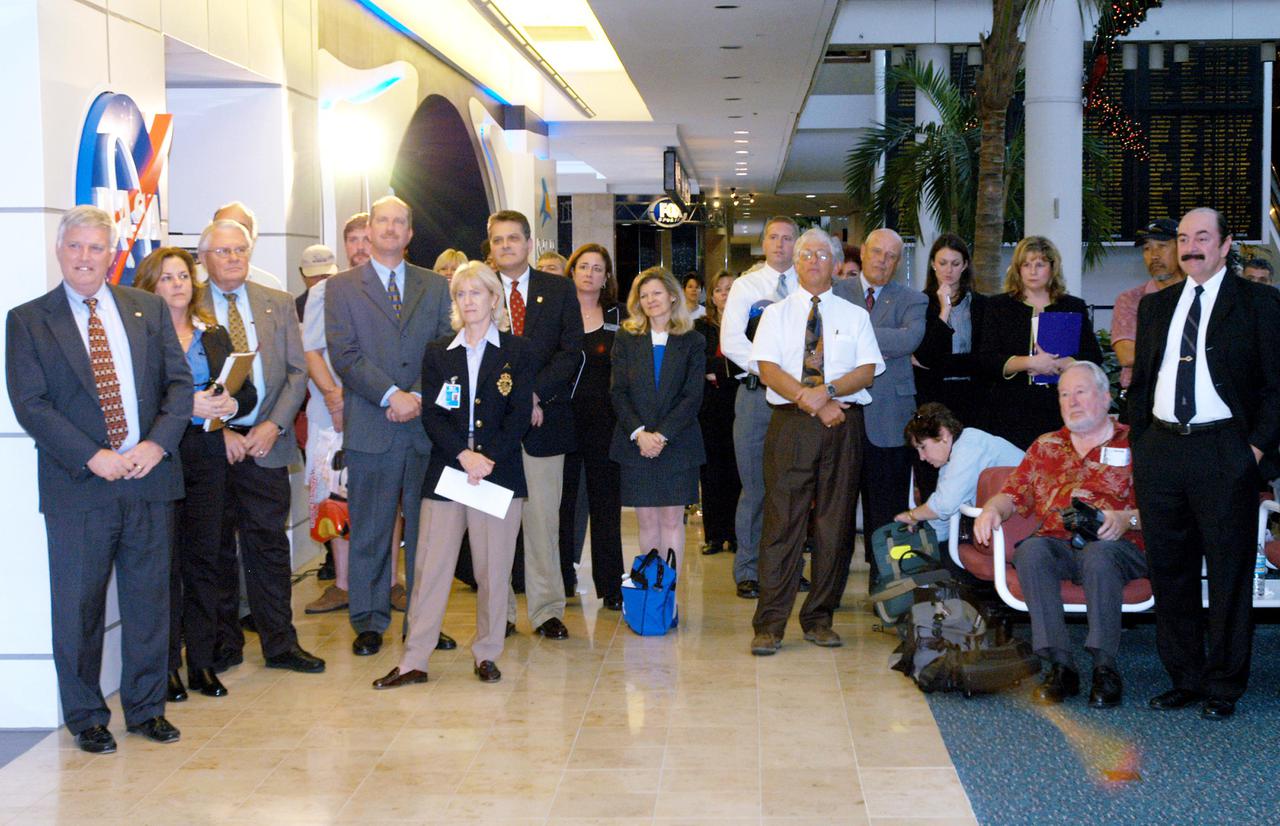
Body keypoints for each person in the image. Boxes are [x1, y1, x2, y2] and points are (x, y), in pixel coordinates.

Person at [6, 205, 192, 752]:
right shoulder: (28, 320)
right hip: (79, 487)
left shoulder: (148, 309)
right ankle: (86, 715)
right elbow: (30, 405)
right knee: (78, 608)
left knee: (150, 604)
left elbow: (179, 387)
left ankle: (145, 710)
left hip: (149, 480)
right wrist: (93, 456)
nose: (85, 257)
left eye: (95, 248)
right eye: (75, 247)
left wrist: (156, 444)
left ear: (112, 255)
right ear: (59, 250)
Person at [1130, 207, 1280, 720]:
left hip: (1225, 452)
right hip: (1163, 452)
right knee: (1169, 572)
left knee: (1227, 573)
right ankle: (1185, 678)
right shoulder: (1156, 307)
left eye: (1201, 237)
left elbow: (1277, 387)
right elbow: (1142, 384)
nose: (1189, 247)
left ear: (1224, 244)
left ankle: (1223, 685)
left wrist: (1255, 450)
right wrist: (1143, 444)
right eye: (1182, 238)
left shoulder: (1260, 303)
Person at [372, 262, 533, 689]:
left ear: (494, 299)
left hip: (497, 476)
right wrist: (464, 455)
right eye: (461, 294)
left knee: (492, 572)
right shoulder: (439, 352)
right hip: (448, 474)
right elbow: (436, 417)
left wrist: (486, 458)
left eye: (477, 293)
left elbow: (518, 418)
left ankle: (487, 653)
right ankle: (414, 660)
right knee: (430, 569)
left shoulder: (516, 352)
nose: (469, 301)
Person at [325, 195, 454, 656]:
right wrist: (390, 395)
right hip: (372, 425)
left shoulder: (435, 286)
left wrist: (416, 394)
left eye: (400, 221)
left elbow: (446, 348)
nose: (391, 228)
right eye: (383, 221)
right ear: (369, 229)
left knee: (427, 534)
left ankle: (424, 623)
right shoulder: (340, 288)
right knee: (372, 530)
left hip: (425, 429)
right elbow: (343, 354)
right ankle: (369, 620)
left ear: (410, 233)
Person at [973, 362, 1145, 706]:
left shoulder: (1137, 443)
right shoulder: (1046, 446)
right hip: (1059, 543)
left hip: (1120, 546)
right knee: (1032, 551)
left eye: (1080, 392)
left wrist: (1128, 519)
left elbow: (1167, 506)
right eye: (1064, 395)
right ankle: (1061, 666)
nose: (1072, 401)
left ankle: (1105, 668)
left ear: (1106, 396)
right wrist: (992, 508)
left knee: (1099, 555)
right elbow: (1013, 494)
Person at [749, 228, 883, 655]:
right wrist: (811, 400)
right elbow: (768, 370)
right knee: (781, 525)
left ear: (835, 263)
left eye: (821, 255)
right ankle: (769, 625)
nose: (811, 261)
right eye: (805, 254)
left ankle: (819, 618)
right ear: (796, 261)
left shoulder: (854, 314)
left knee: (835, 525)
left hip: (843, 424)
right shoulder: (776, 314)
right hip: (791, 425)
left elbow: (867, 371)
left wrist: (829, 392)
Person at [199, 217, 323, 674]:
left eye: (240, 251)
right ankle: (223, 645)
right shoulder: (187, 306)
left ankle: (280, 644)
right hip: (213, 448)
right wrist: (223, 432)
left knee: (269, 548)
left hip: (268, 444)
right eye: (223, 251)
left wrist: (273, 424)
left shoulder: (278, 302)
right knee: (215, 549)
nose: (233, 259)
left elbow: (297, 371)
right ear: (205, 258)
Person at [134, 247, 256, 703]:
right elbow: (142, 400)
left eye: (183, 276)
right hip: (159, 458)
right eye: (166, 278)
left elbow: (247, 391)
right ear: (149, 286)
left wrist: (229, 405)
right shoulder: (138, 335)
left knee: (206, 560)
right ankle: (166, 666)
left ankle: (201, 662)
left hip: (207, 456)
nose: (177, 285)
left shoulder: (213, 333)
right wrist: (188, 405)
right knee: (163, 566)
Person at [489, 210, 584, 639]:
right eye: (497, 240)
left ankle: (546, 611)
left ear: (529, 244)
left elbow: (571, 352)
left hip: (545, 425)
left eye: (513, 238)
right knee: (495, 526)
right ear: (489, 248)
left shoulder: (559, 289)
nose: (506, 245)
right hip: (491, 429)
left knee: (543, 524)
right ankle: (500, 614)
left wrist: (532, 394)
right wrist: (508, 399)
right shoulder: (480, 290)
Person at [833, 228, 927, 577]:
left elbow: (910, 340)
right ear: (864, 254)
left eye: (891, 256)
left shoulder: (914, 299)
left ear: (899, 262)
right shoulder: (835, 292)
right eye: (877, 252)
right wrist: (879, 338)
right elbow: (828, 338)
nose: (882, 261)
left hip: (890, 418)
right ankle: (832, 585)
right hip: (841, 413)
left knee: (886, 508)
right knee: (837, 509)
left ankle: (885, 583)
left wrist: (852, 334)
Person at [610, 267, 706, 584]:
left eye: (656, 293)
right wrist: (640, 434)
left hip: (677, 444)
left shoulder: (692, 340)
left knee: (671, 520)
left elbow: (692, 396)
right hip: (636, 444)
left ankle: (668, 595)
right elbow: (618, 392)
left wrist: (662, 435)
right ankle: (649, 592)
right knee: (647, 520)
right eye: (644, 294)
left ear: (672, 296)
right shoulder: (627, 337)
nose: (650, 300)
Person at [720, 217, 798, 599]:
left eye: (788, 238)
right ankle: (748, 569)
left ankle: (787, 568)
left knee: (792, 489)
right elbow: (732, 341)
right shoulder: (746, 286)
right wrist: (772, 372)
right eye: (774, 238)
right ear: (763, 243)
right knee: (755, 487)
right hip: (756, 395)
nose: (781, 245)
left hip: (799, 400)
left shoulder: (809, 285)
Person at [978, 235, 1103, 450]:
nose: (1032, 271)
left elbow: (1094, 358)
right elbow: (986, 359)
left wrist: (1064, 364)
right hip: (1009, 409)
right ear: (1018, 269)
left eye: (1040, 264)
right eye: (1026, 265)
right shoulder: (998, 306)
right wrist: (1030, 363)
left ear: (1052, 268)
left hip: (1058, 407)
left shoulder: (1072, 306)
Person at [559, 243, 625, 610]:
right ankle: (563, 580)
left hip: (606, 421)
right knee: (564, 504)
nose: (589, 274)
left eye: (598, 268)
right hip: (564, 420)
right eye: (583, 266)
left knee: (605, 505)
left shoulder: (620, 314)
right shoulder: (559, 311)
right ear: (572, 271)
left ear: (607, 276)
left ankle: (611, 586)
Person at [894, 402, 1023, 543]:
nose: (921, 457)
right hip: (1012, 522)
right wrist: (920, 543)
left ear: (943, 434)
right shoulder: (951, 461)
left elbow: (944, 505)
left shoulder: (969, 446)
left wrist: (913, 515)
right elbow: (942, 517)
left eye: (923, 447)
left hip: (1030, 521)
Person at [1110, 219, 1184, 421]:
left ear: (1182, 248)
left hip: (1186, 398)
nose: (1154, 256)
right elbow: (1126, 355)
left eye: (1162, 246)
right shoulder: (1130, 299)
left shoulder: (1198, 296)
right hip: (1141, 401)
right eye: (1147, 249)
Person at [911, 234, 987, 428]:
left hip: (973, 397)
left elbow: (984, 358)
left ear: (965, 265)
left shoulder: (982, 305)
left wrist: (944, 363)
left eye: (955, 263)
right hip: (933, 397)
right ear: (933, 264)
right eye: (943, 263)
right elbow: (925, 357)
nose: (948, 270)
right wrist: (944, 310)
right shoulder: (919, 303)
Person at [696, 269, 742, 556]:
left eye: (730, 288)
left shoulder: (747, 324)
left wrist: (721, 374)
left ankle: (737, 534)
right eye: (719, 289)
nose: (725, 293)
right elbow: (698, 362)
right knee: (711, 471)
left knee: (737, 469)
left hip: (738, 401)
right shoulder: (701, 327)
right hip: (710, 405)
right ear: (711, 296)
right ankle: (714, 534)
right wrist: (714, 372)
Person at [193, 201, 285, 291]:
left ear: (253, 237)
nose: (233, 234)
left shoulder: (270, 286)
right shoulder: (190, 281)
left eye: (242, 228)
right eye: (225, 226)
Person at [295, 244, 338, 322]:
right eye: (315, 276)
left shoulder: (349, 303)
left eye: (326, 276)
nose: (321, 281)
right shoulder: (295, 309)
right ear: (302, 275)